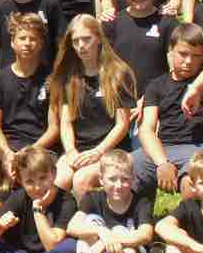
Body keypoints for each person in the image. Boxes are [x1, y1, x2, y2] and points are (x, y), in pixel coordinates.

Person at [44, 13, 138, 196]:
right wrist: (71, 152)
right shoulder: (69, 76)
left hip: (111, 150)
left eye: (86, 39)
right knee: (58, 179)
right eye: (76, 41)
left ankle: (87, 215)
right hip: (79, 149)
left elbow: (122, 124)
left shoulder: (119, 73)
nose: (81, 46)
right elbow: (65, 123)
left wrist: (98, 152)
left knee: (81, 179)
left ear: (99, 39)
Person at [132, 25, 203, 198]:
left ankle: (190, 215)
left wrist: (197, 87)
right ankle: (140, 214)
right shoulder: (156, 86)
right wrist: (162, 163)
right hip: (165, 148)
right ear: (170, 52)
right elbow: (146, 129)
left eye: (196, 56)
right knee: (126, 168)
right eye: (183, 54)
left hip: (201, 148)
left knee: (192, 183)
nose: (189, 61)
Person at [63, 149, 155, 253]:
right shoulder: (92, 198)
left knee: (120, 230)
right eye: (112, 179)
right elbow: (72, 227)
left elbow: (146, 235)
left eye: (125, 179)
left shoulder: (141, 202)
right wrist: (101, 232)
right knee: (86, 233)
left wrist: (105, 242)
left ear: (133, 179)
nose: (118, 185)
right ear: (101, 179)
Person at [0, 13, 52, 182]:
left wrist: (28, 152)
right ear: (12, 43)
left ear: (41, 44)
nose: (27, 43)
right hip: (7, 147)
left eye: (33, 39)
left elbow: (55, 128)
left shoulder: (51, 79)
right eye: (22, 38)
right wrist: (7, 153)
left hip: (40, 147)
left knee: (32, 170)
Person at [103, 0, 173, 94]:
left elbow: (174, 68)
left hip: (155, 99)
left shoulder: (167, 23)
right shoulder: (112, 23)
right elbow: (105, 64)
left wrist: (153, 96)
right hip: (120, 97)